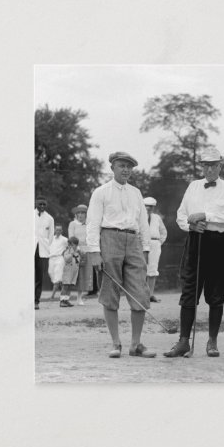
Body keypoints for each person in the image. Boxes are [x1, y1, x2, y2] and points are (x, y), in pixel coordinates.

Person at [164, 147, 224, 358]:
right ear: (202, 167)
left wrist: (205, 215)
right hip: (196, 241)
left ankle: (212, 341)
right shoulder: (193, 186)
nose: (210, 169)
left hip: (219, 242)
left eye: (214, 165)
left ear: (220, 166)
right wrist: (190, 226)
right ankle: (184, 341)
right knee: (189, 291)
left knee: (216, 294)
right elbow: (181, 215)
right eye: (206, 165)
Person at [87, 151, 155, 359]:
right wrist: (94, 252)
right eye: (121, 165)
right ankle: (116, 343)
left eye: (129, 166)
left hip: (133, 241)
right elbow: (92, 223)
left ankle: (136, 344)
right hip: (109, 239)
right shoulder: (101, 192)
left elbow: (143, 224)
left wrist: (145, 250)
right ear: (112, 168)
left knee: (140, 293)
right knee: (110, 292)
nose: (126, 170)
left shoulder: (136, 193)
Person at [143, 197, 168, 302]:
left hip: (154, 243)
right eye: (146, 206)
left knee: (152, 269)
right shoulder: (138, 217)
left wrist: (158, 243)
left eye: (151, 206)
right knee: (141, 268)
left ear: (153, 207)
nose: (148, 208)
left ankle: (150, 295)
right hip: (142, 244)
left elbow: (163, 232)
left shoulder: (157, 217)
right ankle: (140, 295)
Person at [68, 204, 93, 305]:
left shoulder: (90, 224)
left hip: (86, 251)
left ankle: (79, 298)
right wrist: (77, 248)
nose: (81, 215)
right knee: (72, 274)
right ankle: (66, 297)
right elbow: (71, 238)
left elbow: (91, 237)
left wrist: (87, 249)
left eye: (83, 213)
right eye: (79, 213)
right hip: (75, 250)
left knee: (83, 275)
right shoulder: (72, 224)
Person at [35, 195, 54, 309]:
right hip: (30, 248)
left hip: (42, 250)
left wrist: (46, 245)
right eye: (40, 204)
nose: (42, 206)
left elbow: (51, 236)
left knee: (39, 276)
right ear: (35, 203)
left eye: (44, 204)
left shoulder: (49, 218)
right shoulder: (29, 215)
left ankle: (36, 301)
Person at [60, 236, 81, 307]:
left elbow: (79, 260)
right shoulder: (67, 251)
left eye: (73, 245)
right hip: (68, 271)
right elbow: (66, 259)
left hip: (74, 272)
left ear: (76, 245)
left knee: (70, 286)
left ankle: (66, 300)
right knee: (65, 286)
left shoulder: (77, 252)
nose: (71, 246)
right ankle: (62, 300)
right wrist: (71, 253)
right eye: (70, 245)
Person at [48, 224, 68, 299]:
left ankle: (52, 296)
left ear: (62, 231)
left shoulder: (64, 239)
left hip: (60, 258)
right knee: (50, 273)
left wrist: (66, 254)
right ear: (54, 230)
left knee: (57, 276)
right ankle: (63, 292)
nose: (58, 231)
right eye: (57, 229)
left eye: (60, 230)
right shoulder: (51, 238)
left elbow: (70, 246)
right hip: (51, 258)